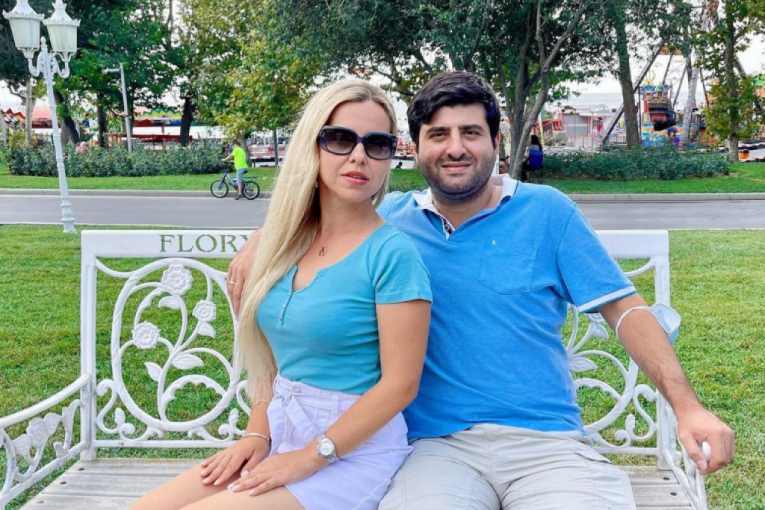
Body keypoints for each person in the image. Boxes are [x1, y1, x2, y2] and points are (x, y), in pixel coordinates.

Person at [228, 71, 734, 510]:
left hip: (547, 445)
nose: (455, 148)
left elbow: (625, 310)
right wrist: (263, 239)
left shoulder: (547, 212)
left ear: (496, 142)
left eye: (470, 132)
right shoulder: (390, 224)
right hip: (435, 449)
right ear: (415, 149)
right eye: (438, 134)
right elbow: (318, 214)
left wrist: (687, 406)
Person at [131, 80, 432, 510]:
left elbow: (401, 385)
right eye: (340, 138)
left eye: (376, 143)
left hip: (354, 451)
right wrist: (257, 433)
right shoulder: (283, 244)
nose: (359, 155)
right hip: (282, 432)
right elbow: (268, 360)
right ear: (312, 145)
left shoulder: (392, 255)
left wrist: (310, 457)